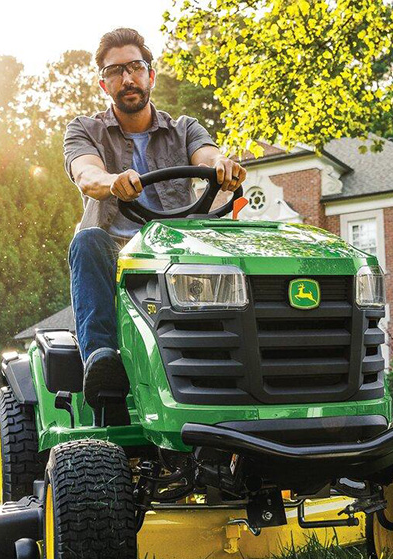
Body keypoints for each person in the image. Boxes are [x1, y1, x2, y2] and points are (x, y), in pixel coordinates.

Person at [63, 27, 246, 407]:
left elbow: (208, 157)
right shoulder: (84, 130)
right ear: (103, 84)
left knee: (232, 253)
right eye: (115, 72)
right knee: (87, 240)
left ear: (151, 74)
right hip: (115, 253)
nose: (127, 78)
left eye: (135, 67)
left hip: (178, 251)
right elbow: (86, 174)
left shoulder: (184, 129)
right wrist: (113, 181)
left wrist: (222, 165)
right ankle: (101, 360)